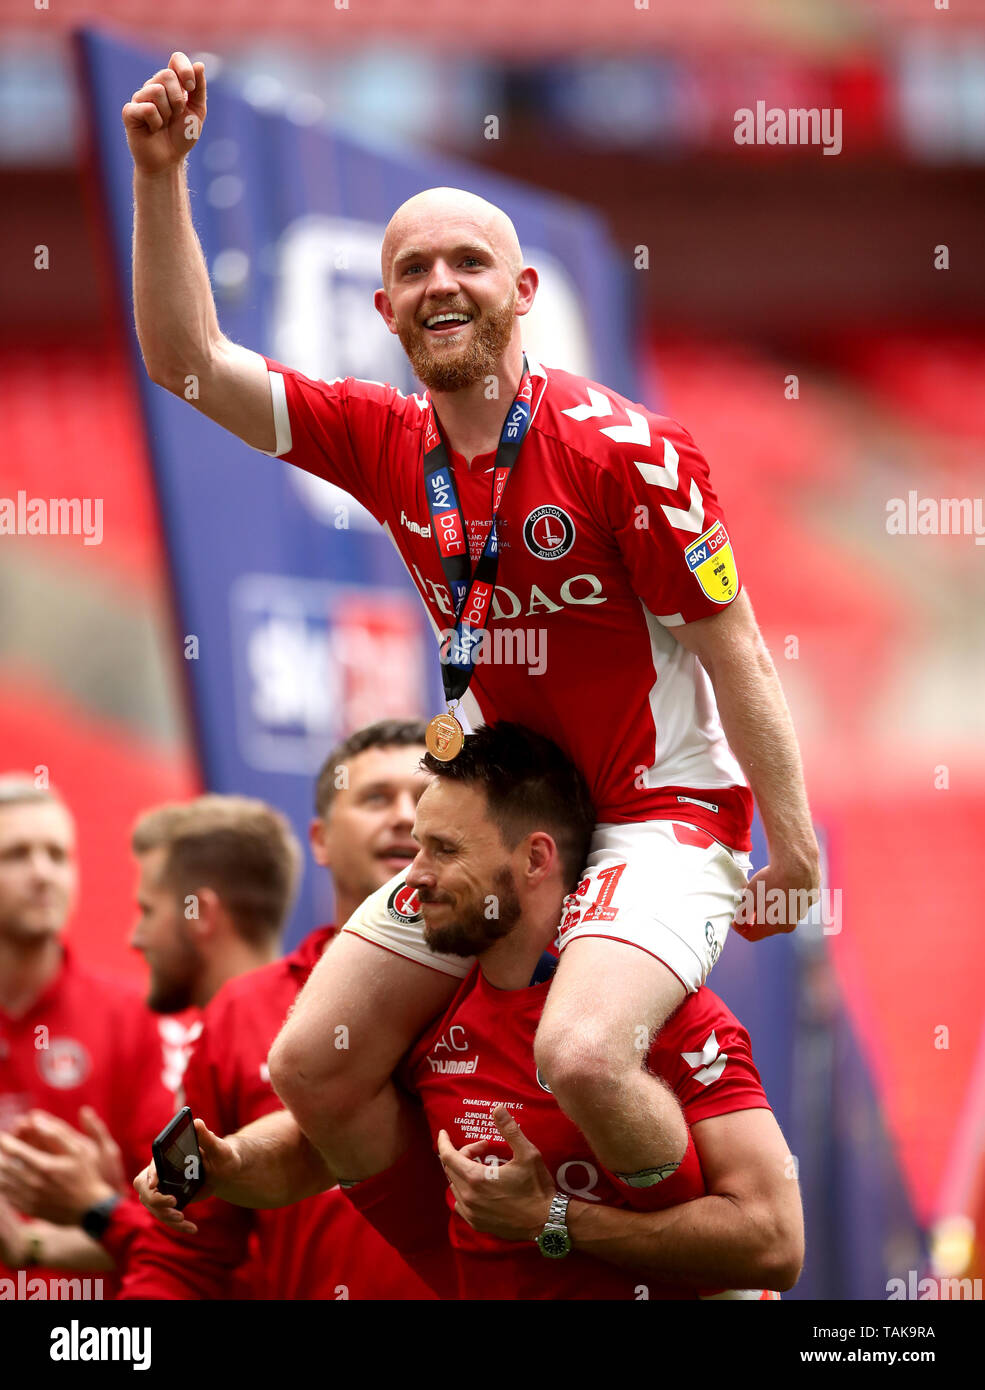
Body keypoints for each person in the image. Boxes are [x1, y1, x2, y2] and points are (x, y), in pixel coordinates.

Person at [123, 52, 820, 1205]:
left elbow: (733, 644)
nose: (442, 283)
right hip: (504, 821)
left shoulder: (625, 451)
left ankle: (689, 1258)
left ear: (525, 290)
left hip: (659, 815)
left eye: (469, 262)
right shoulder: (385, 438)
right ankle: (472, 1263)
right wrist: (160, 176)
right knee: (312, 1064)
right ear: (385, 306)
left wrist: (789, 849)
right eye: (413, 269)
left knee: (583, 1055)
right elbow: (188, 367)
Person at [136, 725, 803, 1300]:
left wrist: (552, 1219)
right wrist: (229, 1164)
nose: (413, 874)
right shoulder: (428, 1019)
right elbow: (313, 1154)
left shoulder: (660, 1017)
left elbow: (773, 1242)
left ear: (536, 859)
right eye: (419, 846)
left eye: (444, 851)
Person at [119, 720, 436, 1299]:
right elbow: (185, 1249)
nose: (403, 816)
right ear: (319, 839)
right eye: (374, 798)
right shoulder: (243, 1009)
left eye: (423, 799)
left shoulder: (505, 986)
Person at [0, 777, 175, 1295]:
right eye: (16, 855)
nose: (42, 874)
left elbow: (175, 1218)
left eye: (57, 855)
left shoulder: (128, 1015)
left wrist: (97, 1200)